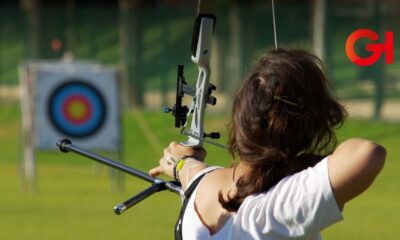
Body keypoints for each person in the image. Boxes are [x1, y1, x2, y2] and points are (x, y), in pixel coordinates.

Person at [149, 48, 386, 240]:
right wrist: (304, 163)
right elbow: (368, 154)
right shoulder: (277, 209)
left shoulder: (200, 187)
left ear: (241, 115)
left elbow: (191, 171)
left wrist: (180, 164)